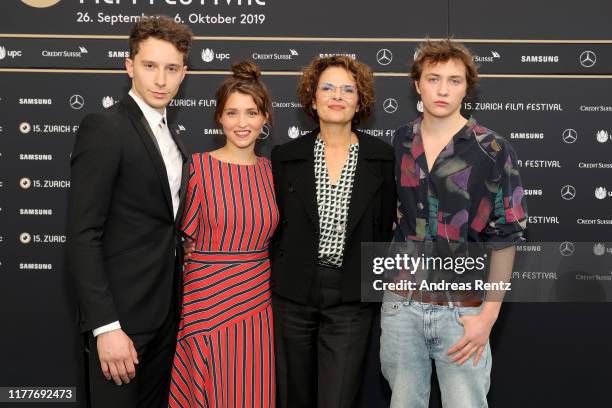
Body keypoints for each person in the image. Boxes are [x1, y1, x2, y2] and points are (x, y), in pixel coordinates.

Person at [381, 39, 528, 407]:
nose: (443, 89)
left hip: (464, 310)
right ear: (418, 84)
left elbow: (506, 237)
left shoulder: (492, 149)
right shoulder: (400, 141)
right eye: (433, 78)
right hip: (401, 304)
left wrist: (488, 317)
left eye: (454, 80)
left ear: (467, 87)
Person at [66, 16, 192, 408]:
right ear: (129, 66)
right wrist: (106, 327)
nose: (160, 79)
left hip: (165, 317)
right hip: (121, 324)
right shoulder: (105, 127)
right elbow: (83, 234)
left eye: (171, 69)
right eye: (149, 66)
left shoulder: (172, 137)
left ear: (183, 73)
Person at [270, 55, 396, 408]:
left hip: (351, 297)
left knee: (338, 398)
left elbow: (385, 227)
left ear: (360, 101)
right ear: (312, 99)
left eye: (347, 89)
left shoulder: (382, 158)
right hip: (293, 295)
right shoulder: (286, 156)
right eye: (327, 88)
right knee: (294, 396)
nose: (336, 96)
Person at [168, 60, 278, 407]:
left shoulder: (272, 172)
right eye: (232, 113)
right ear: (219, 118)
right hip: (206, 301)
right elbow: (182, 239)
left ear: (265, 119)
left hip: (257, 300)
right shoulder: (199, 166)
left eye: (251, 113)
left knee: (249, 390)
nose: (242, 123)